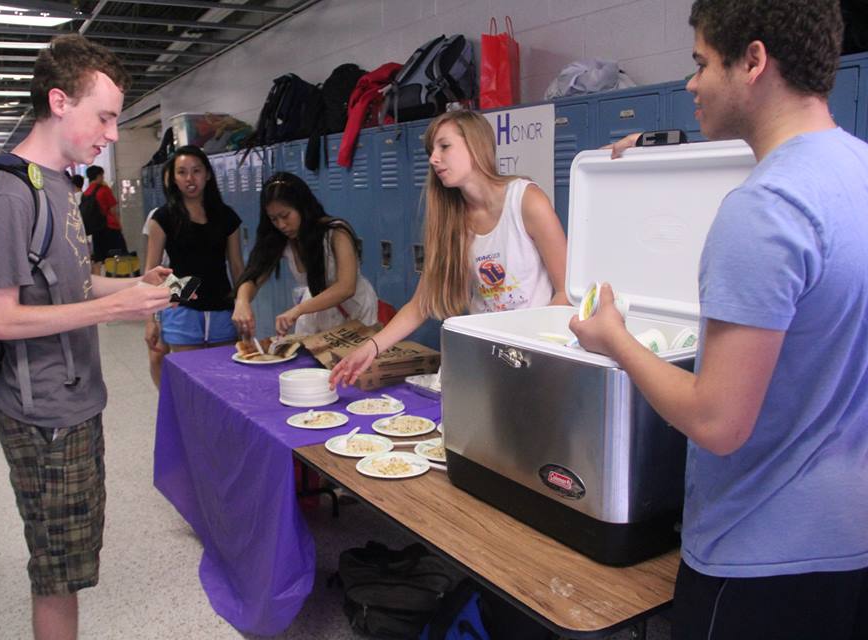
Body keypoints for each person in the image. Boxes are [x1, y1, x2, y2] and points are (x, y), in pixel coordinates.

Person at [569, 1, 868, 638]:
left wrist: (615, 339)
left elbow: (717, 420)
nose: (691, 83)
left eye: (701, 63)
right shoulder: (858, 172)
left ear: (753, 61)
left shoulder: (763, 209)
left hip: (759, 558)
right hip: (850, 543)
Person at [0, 34, 173, 640]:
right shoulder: (8, 195)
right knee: (55, 571)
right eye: (105, 116)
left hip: (77, 404)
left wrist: (134, 286)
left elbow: (70, 287)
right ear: (59, 101)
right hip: (43, 415)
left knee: (72, 564)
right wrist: (115, 313)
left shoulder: (59, 185)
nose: (112, 133)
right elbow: (0, 318)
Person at [330, 109, 569, 386]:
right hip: (487, 357)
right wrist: (370, 348)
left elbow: (565, 291)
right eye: (431, 150)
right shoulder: (453, 221)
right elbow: (422, 303)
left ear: (476, 145)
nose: (433, 158)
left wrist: (533, 349)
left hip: (534, 360)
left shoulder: (526, 200)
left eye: (444, 146)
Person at [232, 172, 377, 338]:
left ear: (302, 207)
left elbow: (346, 287)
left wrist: (298, 310)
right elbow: (254, 276)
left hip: (354, 310)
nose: (281, 225)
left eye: (285, 216)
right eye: (273, 219)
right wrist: (242, 301)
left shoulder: (336, 232)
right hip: (316, 311)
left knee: (353, 361)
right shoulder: (282, 239)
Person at [144, 144, 244, 360]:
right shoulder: (163, 218)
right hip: (181, 307)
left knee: (222, 375)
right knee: (190, 377)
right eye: (182, 172)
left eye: (196, 171)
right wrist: (150, 320)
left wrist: (244, 307)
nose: (190, 178)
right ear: (173, 178)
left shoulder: (226, 217)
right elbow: (151, 272)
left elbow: (237, 267)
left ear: (207, 174)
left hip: (222, 306)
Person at [142, 205, 170, 388]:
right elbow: (151, 266)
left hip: (192, 288)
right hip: (167, 284)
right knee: (157, 354)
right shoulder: (158, 215)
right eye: (180, 173)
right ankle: (165, 403)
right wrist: (149, 320)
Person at [85, 164, 126, 275]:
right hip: (110, 227)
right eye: (102, 176)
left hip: (96, 230)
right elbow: (113, 210)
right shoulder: (104, 190)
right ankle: (118, 278)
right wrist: (119, 224)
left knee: (99, 258)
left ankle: (101, 281)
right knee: (119, 255)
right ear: (98, 176)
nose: (103, 178)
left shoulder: (86, 192)